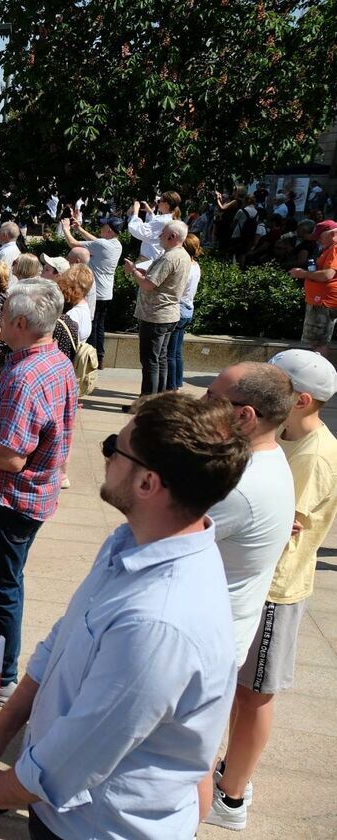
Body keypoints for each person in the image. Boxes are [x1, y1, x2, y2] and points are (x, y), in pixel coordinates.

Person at [0, 392, 250, 839]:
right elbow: (60, 644)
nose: (105, 457)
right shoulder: (130, 543)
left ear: (148, 483)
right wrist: (1, 729)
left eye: (113, 448)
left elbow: (75, 757)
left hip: (97, 827)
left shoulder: (158, 623)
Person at [206, 351, 337, 831]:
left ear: (299, 400)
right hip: (260, 587)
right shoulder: (286, 440)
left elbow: (283, 530)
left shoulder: (318, 455)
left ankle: (233, 794)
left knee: (256, 695)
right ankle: (227, 774)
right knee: (241, 694)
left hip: (277, 592)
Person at [0, 280, 78, 702]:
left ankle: (3, 673)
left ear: (17, 322)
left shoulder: (25, 378)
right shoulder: (53, 359)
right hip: (35, 493)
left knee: (2, 583)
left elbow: (12, 457)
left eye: (2, 317)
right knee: (4, 579)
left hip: (12, 500)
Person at [204, 363, 295, 666]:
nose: (200, 406)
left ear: (245, 415)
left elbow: (150, 541)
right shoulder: (267, 457)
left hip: (200, 647)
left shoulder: (240, 488)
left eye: (211, 398)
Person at [123, 220, 192, 401]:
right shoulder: (183, 255)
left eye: (163, 233)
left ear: (173, 236)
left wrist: (132, 271)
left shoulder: (170, 257)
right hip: (167, 314)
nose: (160, 235)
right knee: (160, 359)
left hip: (156, 315)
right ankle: (157, 401)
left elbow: (148, 285)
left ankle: (146, 403)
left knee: (151, 361)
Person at [62, 215, 122, 365]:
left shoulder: (103, 244)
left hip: (96, 293)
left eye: (103, 227)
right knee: (100, 326)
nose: (100, 229)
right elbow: (95, 242)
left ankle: (90, 359)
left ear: (108, 230)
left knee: (92, 327)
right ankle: (99, 357)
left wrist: (65, 228)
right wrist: (79, 229)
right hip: (107, 293)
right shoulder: (116, 245)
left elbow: (73, 243)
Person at [290, 218, 337, 359]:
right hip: (322, 301)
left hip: (323, 302)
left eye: (319, 237)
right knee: (318, 341)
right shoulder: (329, 249)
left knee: (316, 343)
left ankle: (316, 375)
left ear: (332, 234)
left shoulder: (335, 249)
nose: (317, 241)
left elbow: (327, 275)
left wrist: (302, 274)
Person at [166, 233, 203, 390]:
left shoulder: (185, 266)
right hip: (188, 309)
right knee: (177, 351)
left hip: (179, 309)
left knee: (169, 353)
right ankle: (177, 382)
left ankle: (171, 386)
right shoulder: (196, 265)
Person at [128, 190, 181, 260]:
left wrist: (135, 211)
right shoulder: (168, 218)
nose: (157, 203)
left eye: (159, 201)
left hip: (150, 256)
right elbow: (155, 223)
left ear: (167, 204)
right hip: (155, 254)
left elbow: (139, 230)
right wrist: (149, 211)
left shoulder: (163, 221)